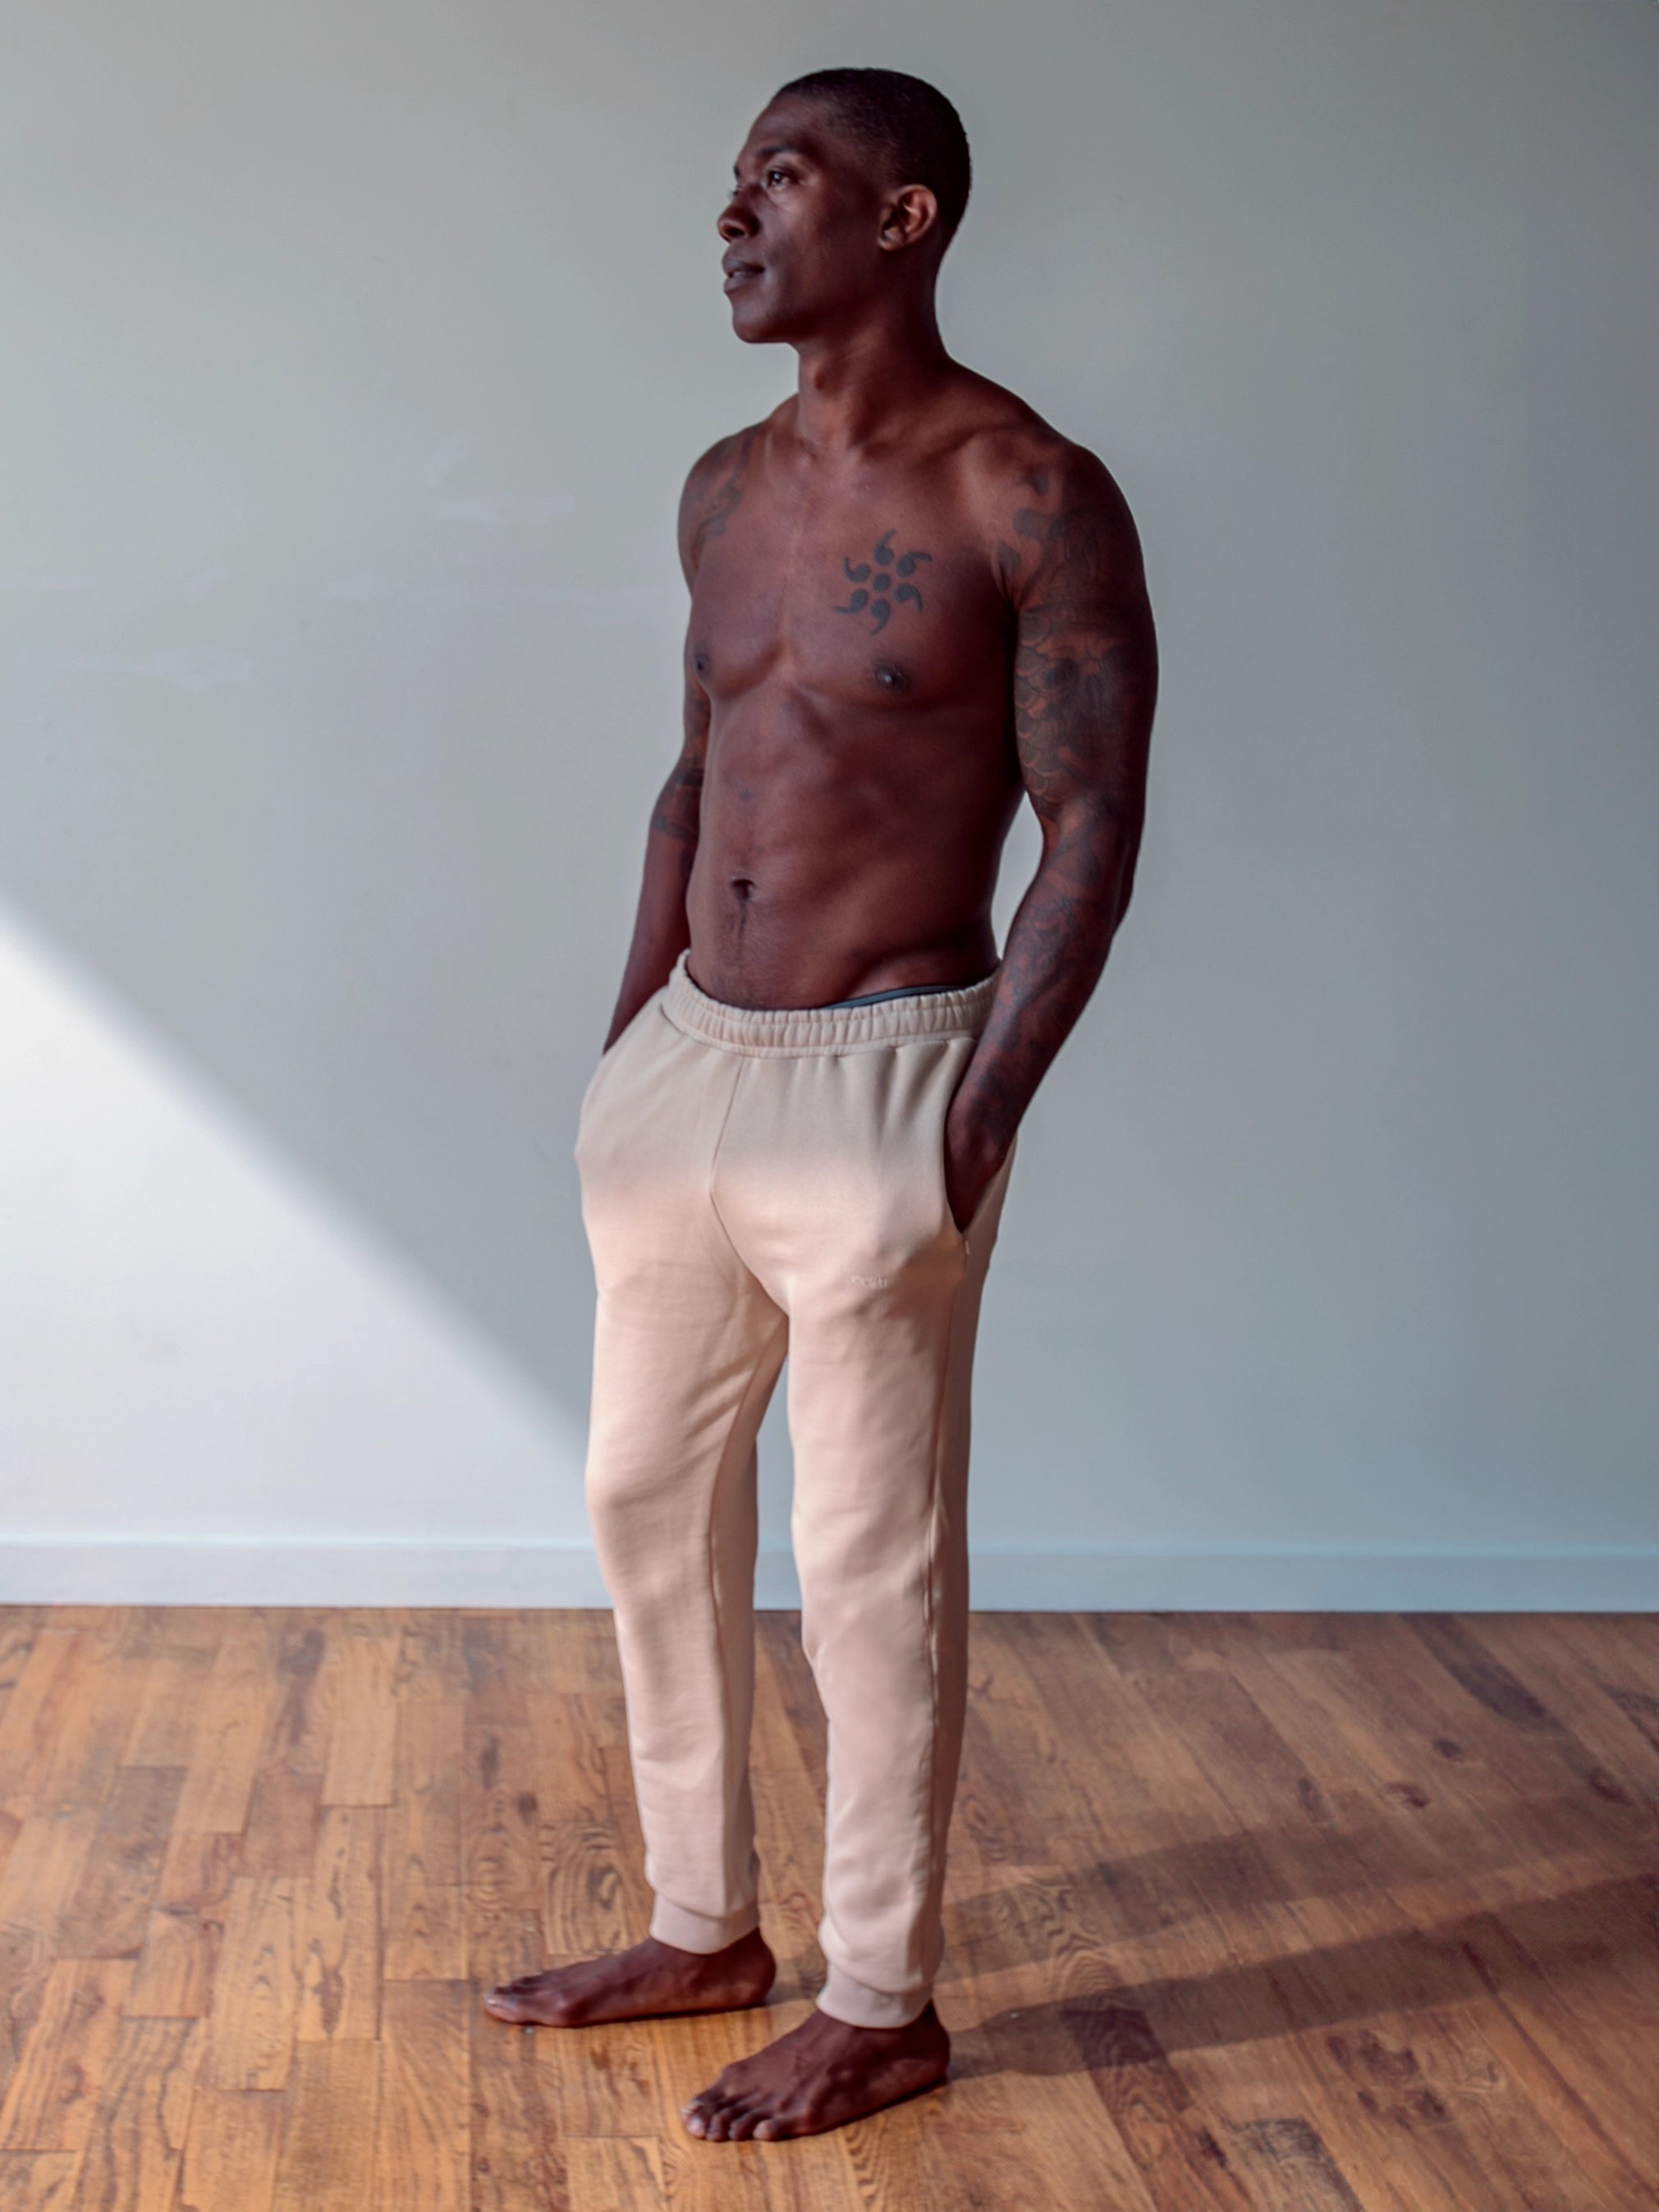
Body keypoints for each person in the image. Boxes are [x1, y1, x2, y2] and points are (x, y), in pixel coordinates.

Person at [484, 64, 1157, 2141]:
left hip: (890, 1067)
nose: (732, 215)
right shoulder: (721, 485)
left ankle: (886, 1994)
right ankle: (705, 1925)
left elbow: (1094, 821)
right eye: (733, 180)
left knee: (870, 1559)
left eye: (780, 178)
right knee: (638, 1504)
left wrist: (982, 1105)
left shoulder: (1028, 493)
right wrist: (627, 1040)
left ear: (905, 219)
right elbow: (697, 773)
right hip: (692, 1061)